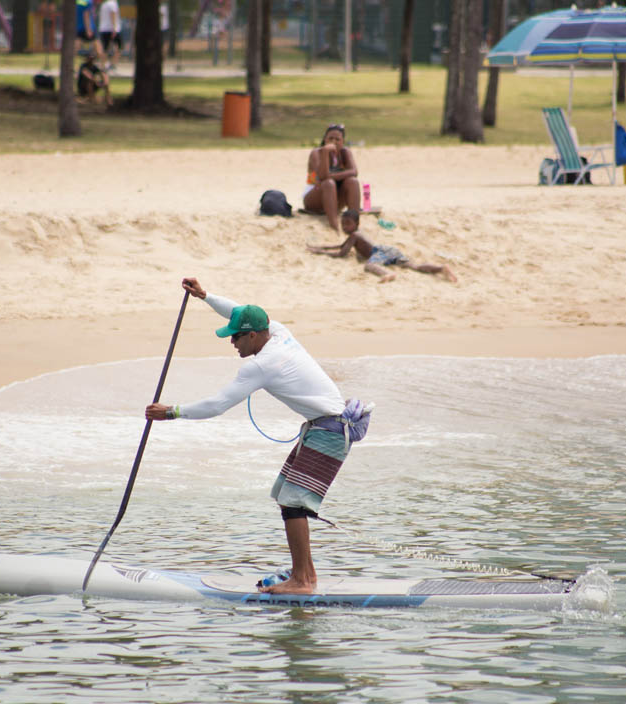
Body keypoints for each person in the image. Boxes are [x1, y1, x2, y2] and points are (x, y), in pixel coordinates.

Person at [144, 278, 358, 595]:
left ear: (254, 336)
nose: (232, 342)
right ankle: (307, 574)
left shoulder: (261, 365)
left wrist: (171, 412)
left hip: (332, 430)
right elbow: (239, 311)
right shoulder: (278, 332)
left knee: (293, 502)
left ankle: (301, 581)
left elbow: (217, 405)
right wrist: (205, 296)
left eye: (236, 337)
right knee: (285, 496)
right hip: (323, 426)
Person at [308, 209, 457, 284]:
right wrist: (320, 248)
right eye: (343, 224)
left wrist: (322, 253)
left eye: (348, 224)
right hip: (389, 250)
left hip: (379, 253)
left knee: (369, 265)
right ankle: (441, 268)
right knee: (414, 266)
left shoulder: (354, 235)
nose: (344, 227)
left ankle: (386, 274)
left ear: (357, 224)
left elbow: (342, 253)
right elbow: (341, 245)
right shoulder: (356, 234)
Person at [303, 123, 360, 233]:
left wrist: (332, 176)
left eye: (337, 139)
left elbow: (354, 172)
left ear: (342, 141)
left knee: (352, 182)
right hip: (314, 198)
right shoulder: (316, 153)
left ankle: (354, 224)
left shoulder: (345, 152)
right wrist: (325, 153)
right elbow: (322, 177)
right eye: (330, 138)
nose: (333, 142)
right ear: (325, 139)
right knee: (329, 183)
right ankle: (334, 227)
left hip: (334, 199)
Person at [98, 0, 122, 70]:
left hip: (103, 29)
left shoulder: (104, 4)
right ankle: (112, 64)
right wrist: (114, 28)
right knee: (119, 47)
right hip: (112, 29)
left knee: (105, 48)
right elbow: (113, 15)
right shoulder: (113, 3)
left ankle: (103, 65)